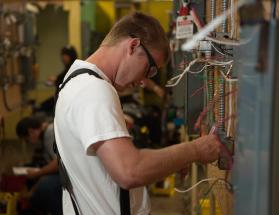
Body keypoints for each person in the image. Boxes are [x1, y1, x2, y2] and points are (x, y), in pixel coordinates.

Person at [54, 12, 221, 215]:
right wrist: (196, 150)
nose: (144, 81)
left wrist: (173, 160)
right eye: (149, 69)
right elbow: (130, 170)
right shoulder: (93, 90)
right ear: (133, 46)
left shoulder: (76, 82)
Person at [16, 117, 62, 215]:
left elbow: (59, 163)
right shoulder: (46, 132)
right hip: (65, 171)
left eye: (27, 140)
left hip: (75, 173)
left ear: (31, 131)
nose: (28, 143)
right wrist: (31, 191)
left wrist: (36, 174)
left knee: (45, 186)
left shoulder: (49, 133)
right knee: (39, 184)